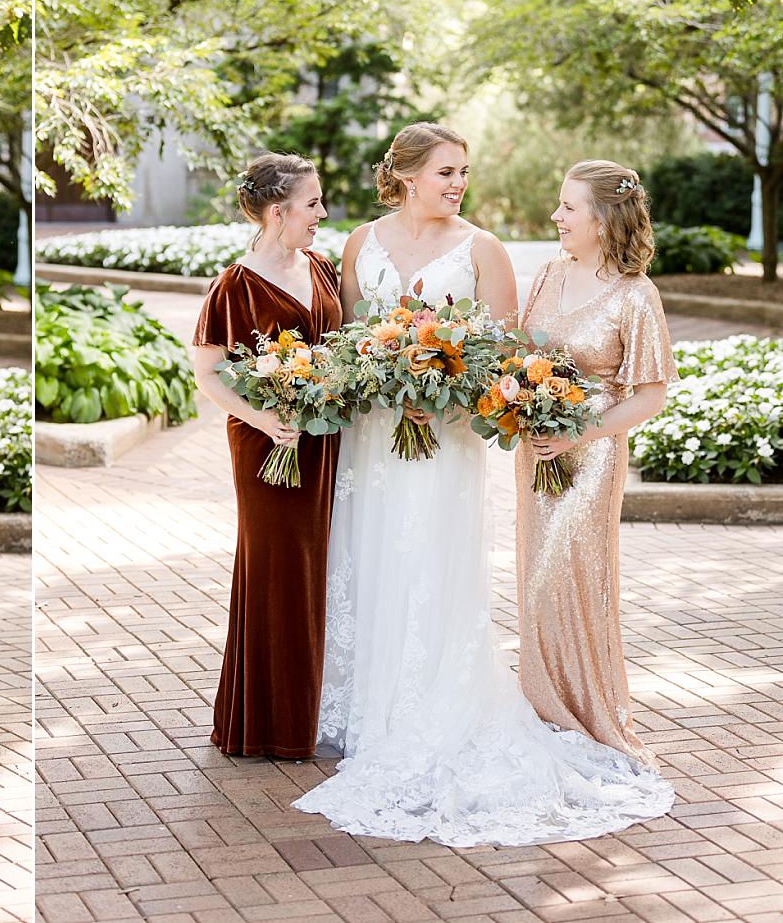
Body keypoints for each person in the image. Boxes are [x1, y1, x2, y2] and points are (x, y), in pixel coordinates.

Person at [293, 123, 673, 846]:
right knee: (371, 559)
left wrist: (441, 378)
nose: (460, 181)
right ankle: (374, 705)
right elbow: (348, 335)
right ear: (407, 175)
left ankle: (569, 708)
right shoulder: (368, 244)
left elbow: (494, 351)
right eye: (446, 170)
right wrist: (381, 372)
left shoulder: (492, 251)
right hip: (377, 435)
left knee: (503, 572)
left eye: (463, 170)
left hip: (468, 442)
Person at [517, 162, 677, 767]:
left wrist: (577, 431)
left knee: (576, 579)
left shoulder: (637, 295)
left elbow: (650, 394)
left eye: (568, 208)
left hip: (591, 457)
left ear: (604, 218)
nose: (556, 217)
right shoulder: (549, 274)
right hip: (537, 453)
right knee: (536, 581)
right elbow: (520, 352)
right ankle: (543, 702)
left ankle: (588, 711)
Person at [192, 154, 340, 758]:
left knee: (321, 566)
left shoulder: (323, 268)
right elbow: (209, 372)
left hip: (326, 436)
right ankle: (270, 725)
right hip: (266, 444)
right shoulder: (235, 285)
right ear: (279, 213)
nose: (322, 214)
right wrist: (266, 418)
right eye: (312, 204)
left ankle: (313, 710)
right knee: (279, 570)